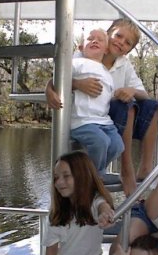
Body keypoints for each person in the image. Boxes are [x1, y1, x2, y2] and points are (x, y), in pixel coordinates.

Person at [46, 18, 158, 196]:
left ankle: (146, 167)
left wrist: (131, 90)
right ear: (108, 36)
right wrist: (77, 84)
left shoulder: (123, 64)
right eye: (118, 36)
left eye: (127, 43)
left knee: (152, 106)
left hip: (107, 119)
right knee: (128, 106)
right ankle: (126, 168)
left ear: (129, 50)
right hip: (86, 117)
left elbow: (144, 95)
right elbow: (59, 77)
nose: (121, 42)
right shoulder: (84, 53)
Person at [51, 27, 124, 180]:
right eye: (90, 39)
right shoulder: (76, 63)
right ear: (81, 47)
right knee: (101, 142)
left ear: (106, 50)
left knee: (118, 145)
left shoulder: (107, 73)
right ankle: (94, 177)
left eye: (100, 39)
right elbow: (57, 79)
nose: (95, 41)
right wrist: (77, 83)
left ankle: (96, 171)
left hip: (104, 121)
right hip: (81, 121)